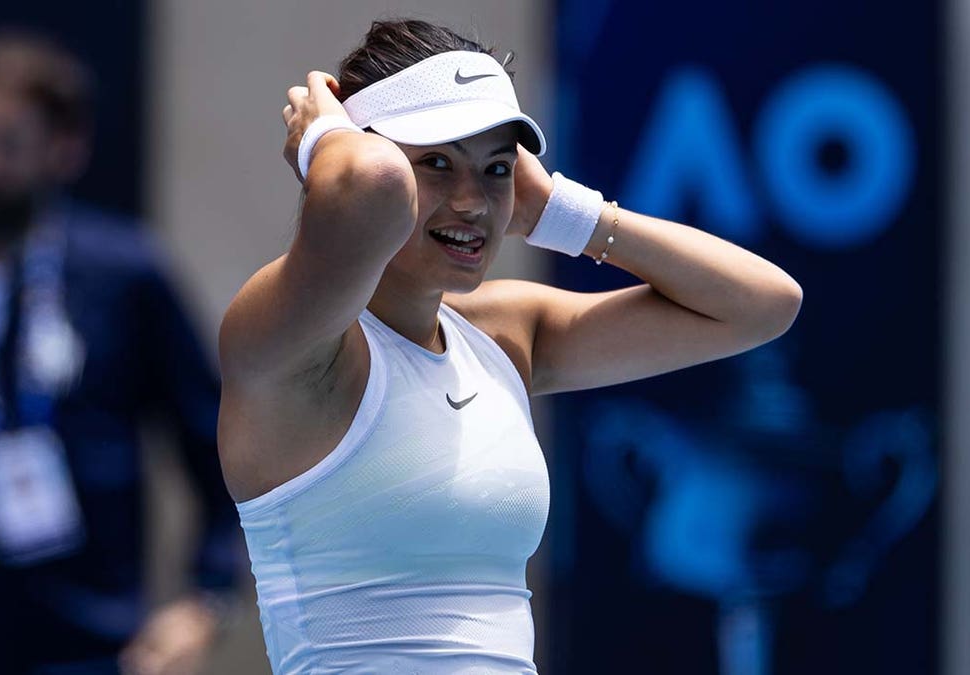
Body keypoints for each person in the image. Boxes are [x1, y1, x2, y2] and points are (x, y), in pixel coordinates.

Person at [218, 19, 803, 674]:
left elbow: (762, 304)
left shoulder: (503, 333)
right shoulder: (290, 341)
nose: (473, 202)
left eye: (496, 169)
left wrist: (558, 209)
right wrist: (322, 134)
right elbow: (371, 185)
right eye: (436, 162)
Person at [0, 29, 240, 675]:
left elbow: (218, 440)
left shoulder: (123, 273)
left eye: (8, 143)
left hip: (79, 639)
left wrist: (205, 597)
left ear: (66, 148)